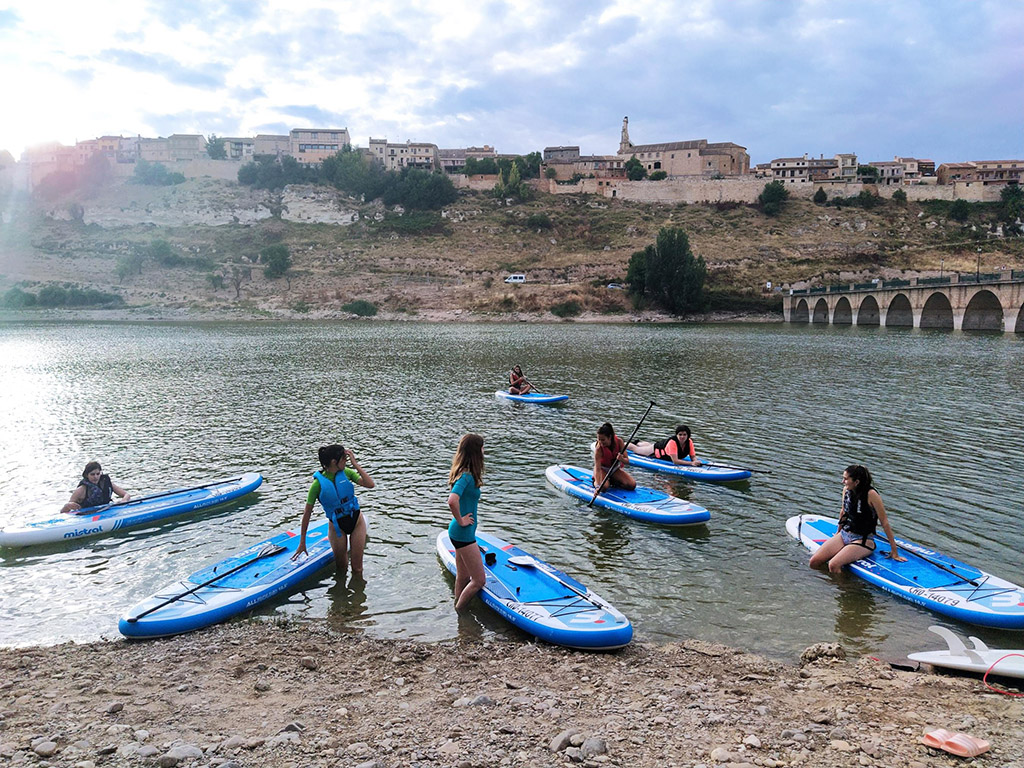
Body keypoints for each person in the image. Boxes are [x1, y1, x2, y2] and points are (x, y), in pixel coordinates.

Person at [809, 464, 906, 574]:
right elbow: (843, 512)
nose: (842, 482)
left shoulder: (871, 494)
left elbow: (884, 523)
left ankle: (843, 589)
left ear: (856, 482)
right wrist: (838, 532)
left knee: (833, 565)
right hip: (845, 534)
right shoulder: (846, 490)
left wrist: (894, 551)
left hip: (863, 540)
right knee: (814, 562)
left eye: (846, 479)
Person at [294, 444, 375, 575]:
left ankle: (356, 594)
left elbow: (370, 484)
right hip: (337, 527)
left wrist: (356, 465)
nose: (346, 461)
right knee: (341, 569)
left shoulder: (348, 473)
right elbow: (307, 514)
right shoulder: (317, 485)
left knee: (357, 569)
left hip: (356, 522)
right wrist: (302, 542)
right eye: (344, 459)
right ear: (333, 462)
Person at [447, 433, 485, 612]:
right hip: (463, 535)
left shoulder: (466, 474)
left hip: (460, 533)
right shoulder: (467, 477)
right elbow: (452, 500)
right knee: (478, 581)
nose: (484, 451)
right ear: (475, 452)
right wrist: (461, 520)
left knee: (462, 577)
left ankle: (458, 617)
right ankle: (461, 612)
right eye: (482, 448)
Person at [61, 461, 130, 513]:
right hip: (86, 515)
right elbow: (64, 511)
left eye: (98, 474)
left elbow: (126, 494)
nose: (95, 477)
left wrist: (123, 500)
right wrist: (67, 506)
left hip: (106, 511)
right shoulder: (81, 490)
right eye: (92, 474)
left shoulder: (107, 483)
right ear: (86, 475)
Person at [629, 424, 703, 467]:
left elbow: (692, 456)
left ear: (688, 435)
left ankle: (638, 443)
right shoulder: (672, 442)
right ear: (676, 435)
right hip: (656, 450)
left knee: (647, 446)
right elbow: (675, 461)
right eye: (680, 435)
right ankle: (624, 444)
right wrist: (691, 463)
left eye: (684, 435)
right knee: (636, 449)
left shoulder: (689, 442)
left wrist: (695, 461)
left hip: (662, 448)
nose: (682, 437)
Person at [593, 422, 636, 491]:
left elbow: (627, 461)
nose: (600, 442)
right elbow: (598, 468)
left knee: (632, 485)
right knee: (603, 487)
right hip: (602, 469)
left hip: (614, 469)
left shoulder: (619, 442)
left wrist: (622, 459)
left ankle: (612, 480)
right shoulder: (599, 449)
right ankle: (596, 482)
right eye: (599, 439)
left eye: (603, 440)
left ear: (609, 437)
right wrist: (598, 486)